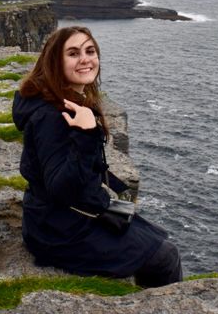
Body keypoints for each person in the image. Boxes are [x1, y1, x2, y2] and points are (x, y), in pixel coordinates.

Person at [12, 25, 182, 287]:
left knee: (154, 237)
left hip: (62, 216)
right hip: (59, 231)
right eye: (73, 53)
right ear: (55, 62)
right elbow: (60, 188)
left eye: (90, 51)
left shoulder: (62, 98)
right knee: (165, 257)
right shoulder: (52, 116)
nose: (85, 59)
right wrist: (86, 133)